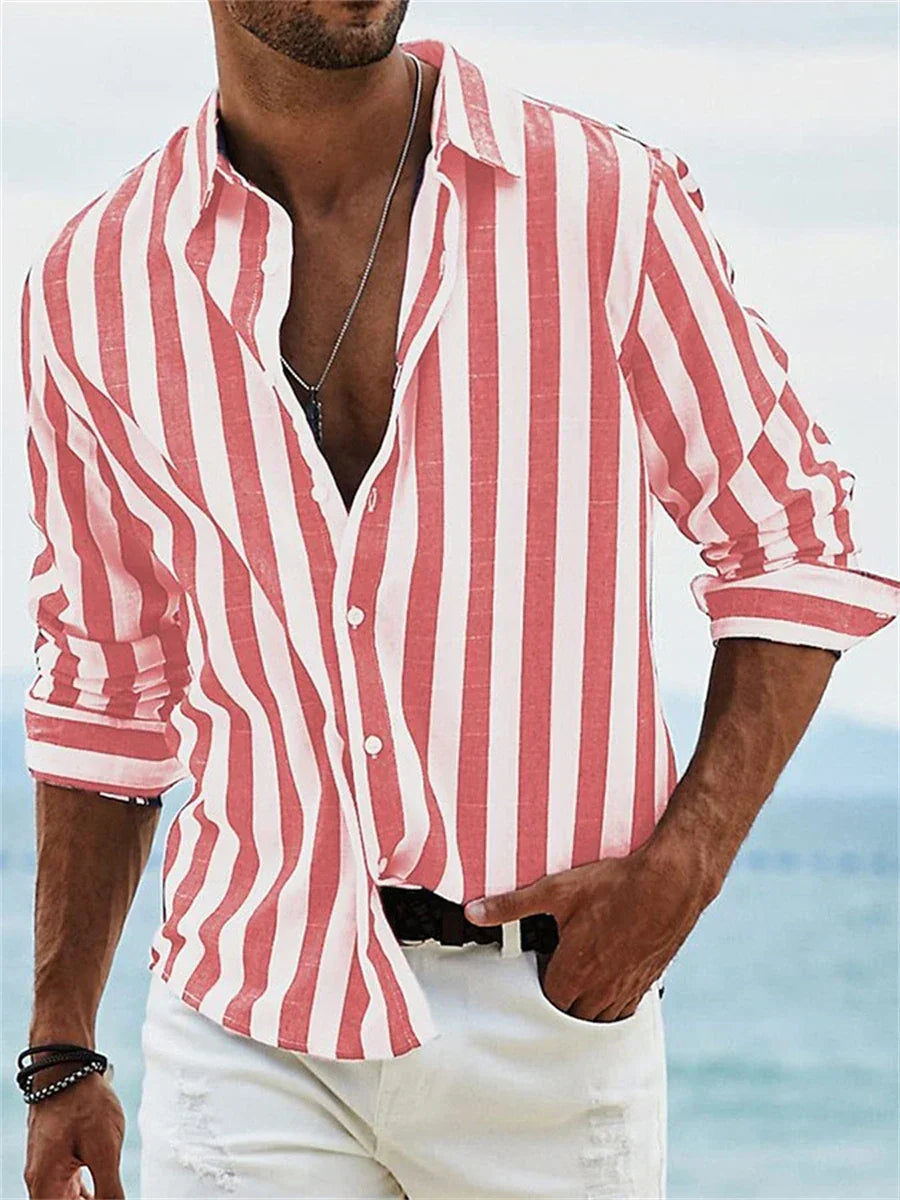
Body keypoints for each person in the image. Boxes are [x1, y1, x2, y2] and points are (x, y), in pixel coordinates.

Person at [18, 2, 899, 1197]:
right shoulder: (96, 286)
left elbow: (791, 534)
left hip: (551, 1023)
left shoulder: (599, 202)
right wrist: (61, 1051)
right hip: (247, 1020)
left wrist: (683, 869)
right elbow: (108, 675)